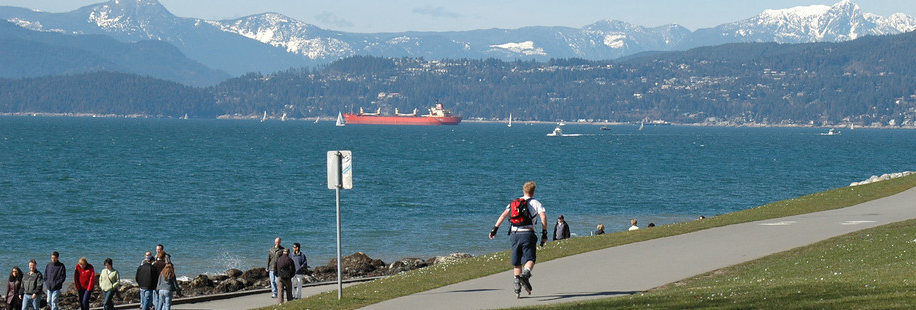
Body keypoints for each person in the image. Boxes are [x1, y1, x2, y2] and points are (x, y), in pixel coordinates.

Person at [488, 181, 547, 298]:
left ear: (523, 191)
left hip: (514, 234)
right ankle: (526, 274)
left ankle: (517, 286)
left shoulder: (514, 203)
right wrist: (544, 232)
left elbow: (503, 215)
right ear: (533, 191)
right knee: (530, 259)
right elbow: (543, 216)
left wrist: (494, 229)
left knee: (517, 261)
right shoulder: (536, 203)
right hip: (528, 234)